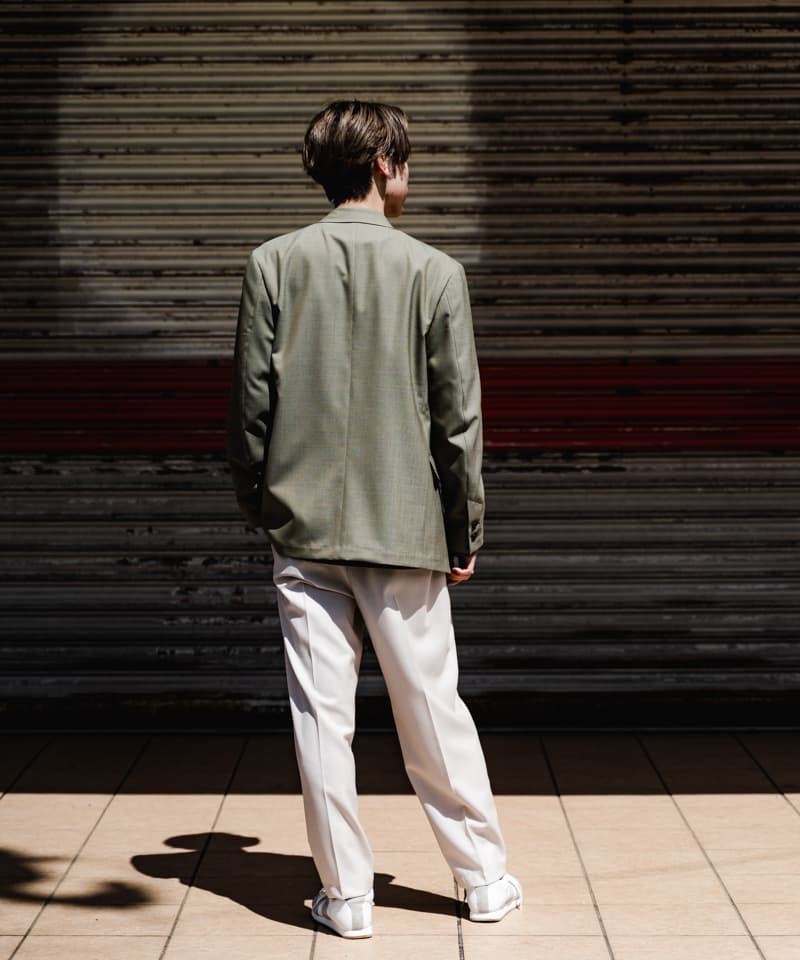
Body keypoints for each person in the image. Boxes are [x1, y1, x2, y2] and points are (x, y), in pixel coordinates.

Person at [226, 99, 521, 939]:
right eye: (407, 159)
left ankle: (347, 896)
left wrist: (262, 503)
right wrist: (464, 528)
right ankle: (483, 880)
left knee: (322, 717)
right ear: (384, 163)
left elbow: (250, 409)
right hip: (404, 525)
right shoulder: (434, 272)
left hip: (302, 528)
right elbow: (457, 422)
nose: (408, 173)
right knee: (430, 706)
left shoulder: (272, 264)